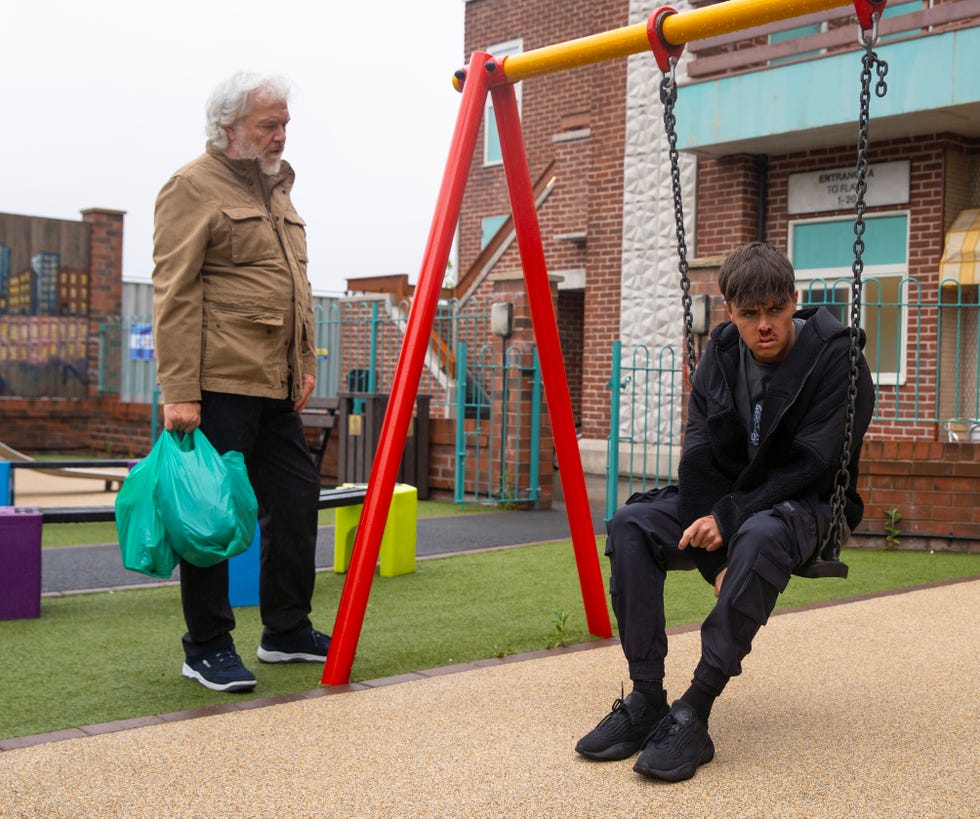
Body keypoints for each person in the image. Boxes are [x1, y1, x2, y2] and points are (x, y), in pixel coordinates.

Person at [576, 242, 874, 781]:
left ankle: (694, 709)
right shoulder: (720, 353)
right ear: (729, 312)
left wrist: (730, 521)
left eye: (775, 310)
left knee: (758, 536)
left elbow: (812, 463)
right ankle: (647, 697)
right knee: (632, 523)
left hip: (805, 502)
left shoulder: (838, 360)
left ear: (793, 300)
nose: (764, 325)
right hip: (730, 497)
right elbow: (696, 455)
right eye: (749, 314)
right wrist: (716, 559)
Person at [152, 71, 327, 693]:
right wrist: (179, 390)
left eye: (284, 123)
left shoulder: (279, 191)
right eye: (267, 124)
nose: (281, 134)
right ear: (228, 127)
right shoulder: (190, 187)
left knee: (299, 498)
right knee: (208, 515)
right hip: (216, 383)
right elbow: (174, 293)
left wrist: (304, 361)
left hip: (274, 385)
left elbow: (294, 288)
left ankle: (285, 630)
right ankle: (205, 645)